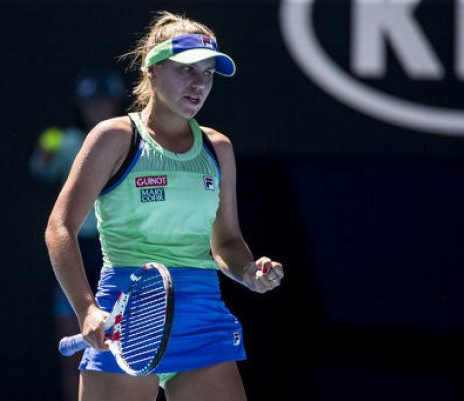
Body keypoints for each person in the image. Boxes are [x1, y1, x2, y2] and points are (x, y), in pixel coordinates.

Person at [45, 11, 285, 401]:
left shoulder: (218, 148)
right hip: (123, 319)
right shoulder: (113, 137)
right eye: (186, 70)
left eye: (207, 73)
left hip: (202, 316)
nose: (199, 84)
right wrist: (86, 309)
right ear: (151, 71)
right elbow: (59, 228)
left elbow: (226, 241)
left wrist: (248, 271)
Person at [30, 70, 125, 401]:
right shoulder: (67, 140)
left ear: (114, 101)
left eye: (102, 101)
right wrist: (46, 148)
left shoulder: (131, 138)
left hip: (118, 250)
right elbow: (40, 169)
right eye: (89, 103)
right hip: (78, 250)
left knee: (127, 349)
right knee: (75, 348)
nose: (95, 108)